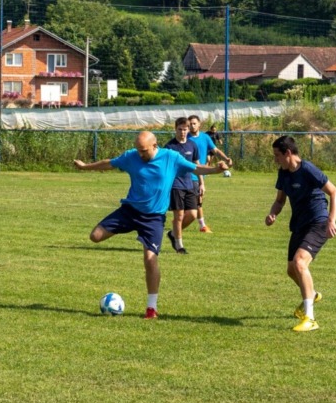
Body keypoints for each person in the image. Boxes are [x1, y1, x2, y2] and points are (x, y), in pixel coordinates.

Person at [75, 131, 228, 319]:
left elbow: (194, 168)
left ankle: (151, 308)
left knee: (150, 259)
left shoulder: (171, 158)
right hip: (130, 211)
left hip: (153, 218)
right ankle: (131, 230)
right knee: (95, 236)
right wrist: (84, 167)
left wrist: (215, 170)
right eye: (138, 150)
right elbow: (109, 163)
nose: (140, 154)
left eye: (144, 150)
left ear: (155, 145)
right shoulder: (132, 156)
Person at [265, 135, 336, 332]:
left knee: (300, 263)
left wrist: (331, 220)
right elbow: (280, 200)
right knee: (291, 270)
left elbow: (334, 192)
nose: (275, 160)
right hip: (299, 224)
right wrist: (273, 213)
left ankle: (310, 318)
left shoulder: (307, 169)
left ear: (288, 153)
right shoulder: (283, 173)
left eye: (277, 156)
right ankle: (312, 293)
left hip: (318, 222)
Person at [187, 114, 233, 233]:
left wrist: (226, 158)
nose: (192, 126)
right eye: (190, 124)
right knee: (198, 199)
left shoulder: (205, 137)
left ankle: (180, 221)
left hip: (201, 172)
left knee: (195, 200)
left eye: (194, 123)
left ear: (199, 124)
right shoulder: (185, 138)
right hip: (189, 174)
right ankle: (202, 226)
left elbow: (215, 150)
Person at [163, 117, 199, 254]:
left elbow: (197, 165)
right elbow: (164, 168)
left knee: (192, 214)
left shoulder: (192, 145)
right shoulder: (169, 147)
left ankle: (173, 233)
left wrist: (201, 183)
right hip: (175, 185)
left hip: (189, 183)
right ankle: (179, 246)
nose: (182, 132)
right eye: (180, 129)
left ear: (188, 129)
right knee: (179, 216)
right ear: (175, 129)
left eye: (185, 129)